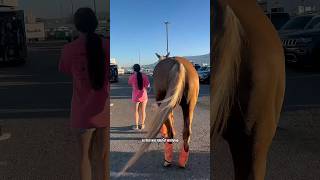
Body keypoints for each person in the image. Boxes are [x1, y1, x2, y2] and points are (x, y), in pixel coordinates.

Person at [59, 8, 109, 180]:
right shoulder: (107, 45)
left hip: (81, 114)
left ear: (76, 25)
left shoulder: (68, 49)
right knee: (104, 159)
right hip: (104, 113)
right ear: (95, 24)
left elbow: (65, 69)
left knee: (84, 158)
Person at [128, 64, 150, 130]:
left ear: (133, 69)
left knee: (136, 111)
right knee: (143, 111)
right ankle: (142, 125)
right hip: (144, 96)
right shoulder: (144, 76)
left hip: (135, 97)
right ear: (140, 69)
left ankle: (137, 126)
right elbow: (148, 85)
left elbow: (129, 83)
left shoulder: (132, 76)